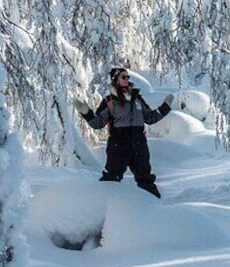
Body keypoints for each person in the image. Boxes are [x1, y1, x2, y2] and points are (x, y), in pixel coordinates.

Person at [74, 67, 173, 198]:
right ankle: (103, 205)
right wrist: (86, 112)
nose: (127, 79)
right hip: (119, 144)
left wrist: (165, 108)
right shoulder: (109, 101)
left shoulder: (137, 99)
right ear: (116, 79)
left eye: (128, 77)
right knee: (112, 178)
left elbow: (150, 118)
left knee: (145, 178)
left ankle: (152, 206)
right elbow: (97, 123)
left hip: (139, 143)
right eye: (123, 77)